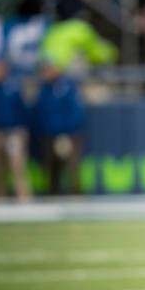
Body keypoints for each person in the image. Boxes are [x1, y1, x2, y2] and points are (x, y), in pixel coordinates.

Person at [0, 60, 31, 200]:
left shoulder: (13, 88)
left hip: (13, 132)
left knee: (17, 164)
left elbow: (23, 112)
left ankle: (24, 197)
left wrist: (21, 130)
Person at [35, 62, 84, 195]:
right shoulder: (43, 89)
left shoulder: (68, 86)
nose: (47, 73)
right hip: (48, 134)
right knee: (50, 166)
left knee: (72, 166)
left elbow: (75, 111)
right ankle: (52, 194)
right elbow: (42, 113)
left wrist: (66, 132)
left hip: (69, 134)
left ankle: (76, 195)